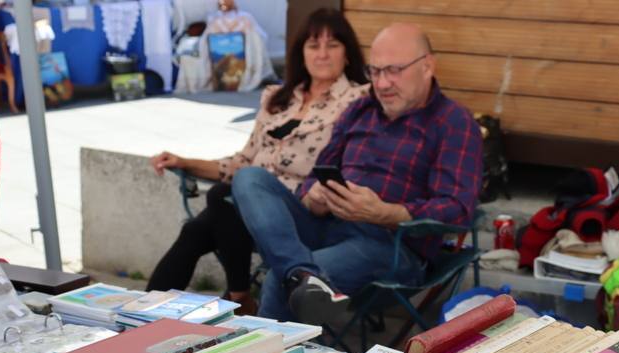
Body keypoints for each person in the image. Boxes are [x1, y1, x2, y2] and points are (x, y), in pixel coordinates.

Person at [230, 23, 482, 324]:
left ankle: (290, 295)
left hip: (390, 245)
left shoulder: (454, 122)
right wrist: (314, 197)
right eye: (374, 71)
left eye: (394, 71)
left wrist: (386, 213)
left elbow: (457, 210)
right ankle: (302, 274)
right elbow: (316, 174)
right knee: (249, 178)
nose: (382, 83)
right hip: (328, 224)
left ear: (427, 67)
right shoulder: (360, 110)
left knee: (278, 281)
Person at [147, 8, 369, 314]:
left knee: (221, 199)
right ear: (301, 52)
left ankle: (152, 313)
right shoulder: (277, 97)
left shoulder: (358, 101)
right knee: (205, 222)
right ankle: (226, 299)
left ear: (347, 54)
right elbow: (242, 162)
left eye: (332, 45)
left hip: (304, 213)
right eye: (313, 45)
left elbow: (352, 165)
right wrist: (186, 162)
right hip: (248, 205)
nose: (322, 54)